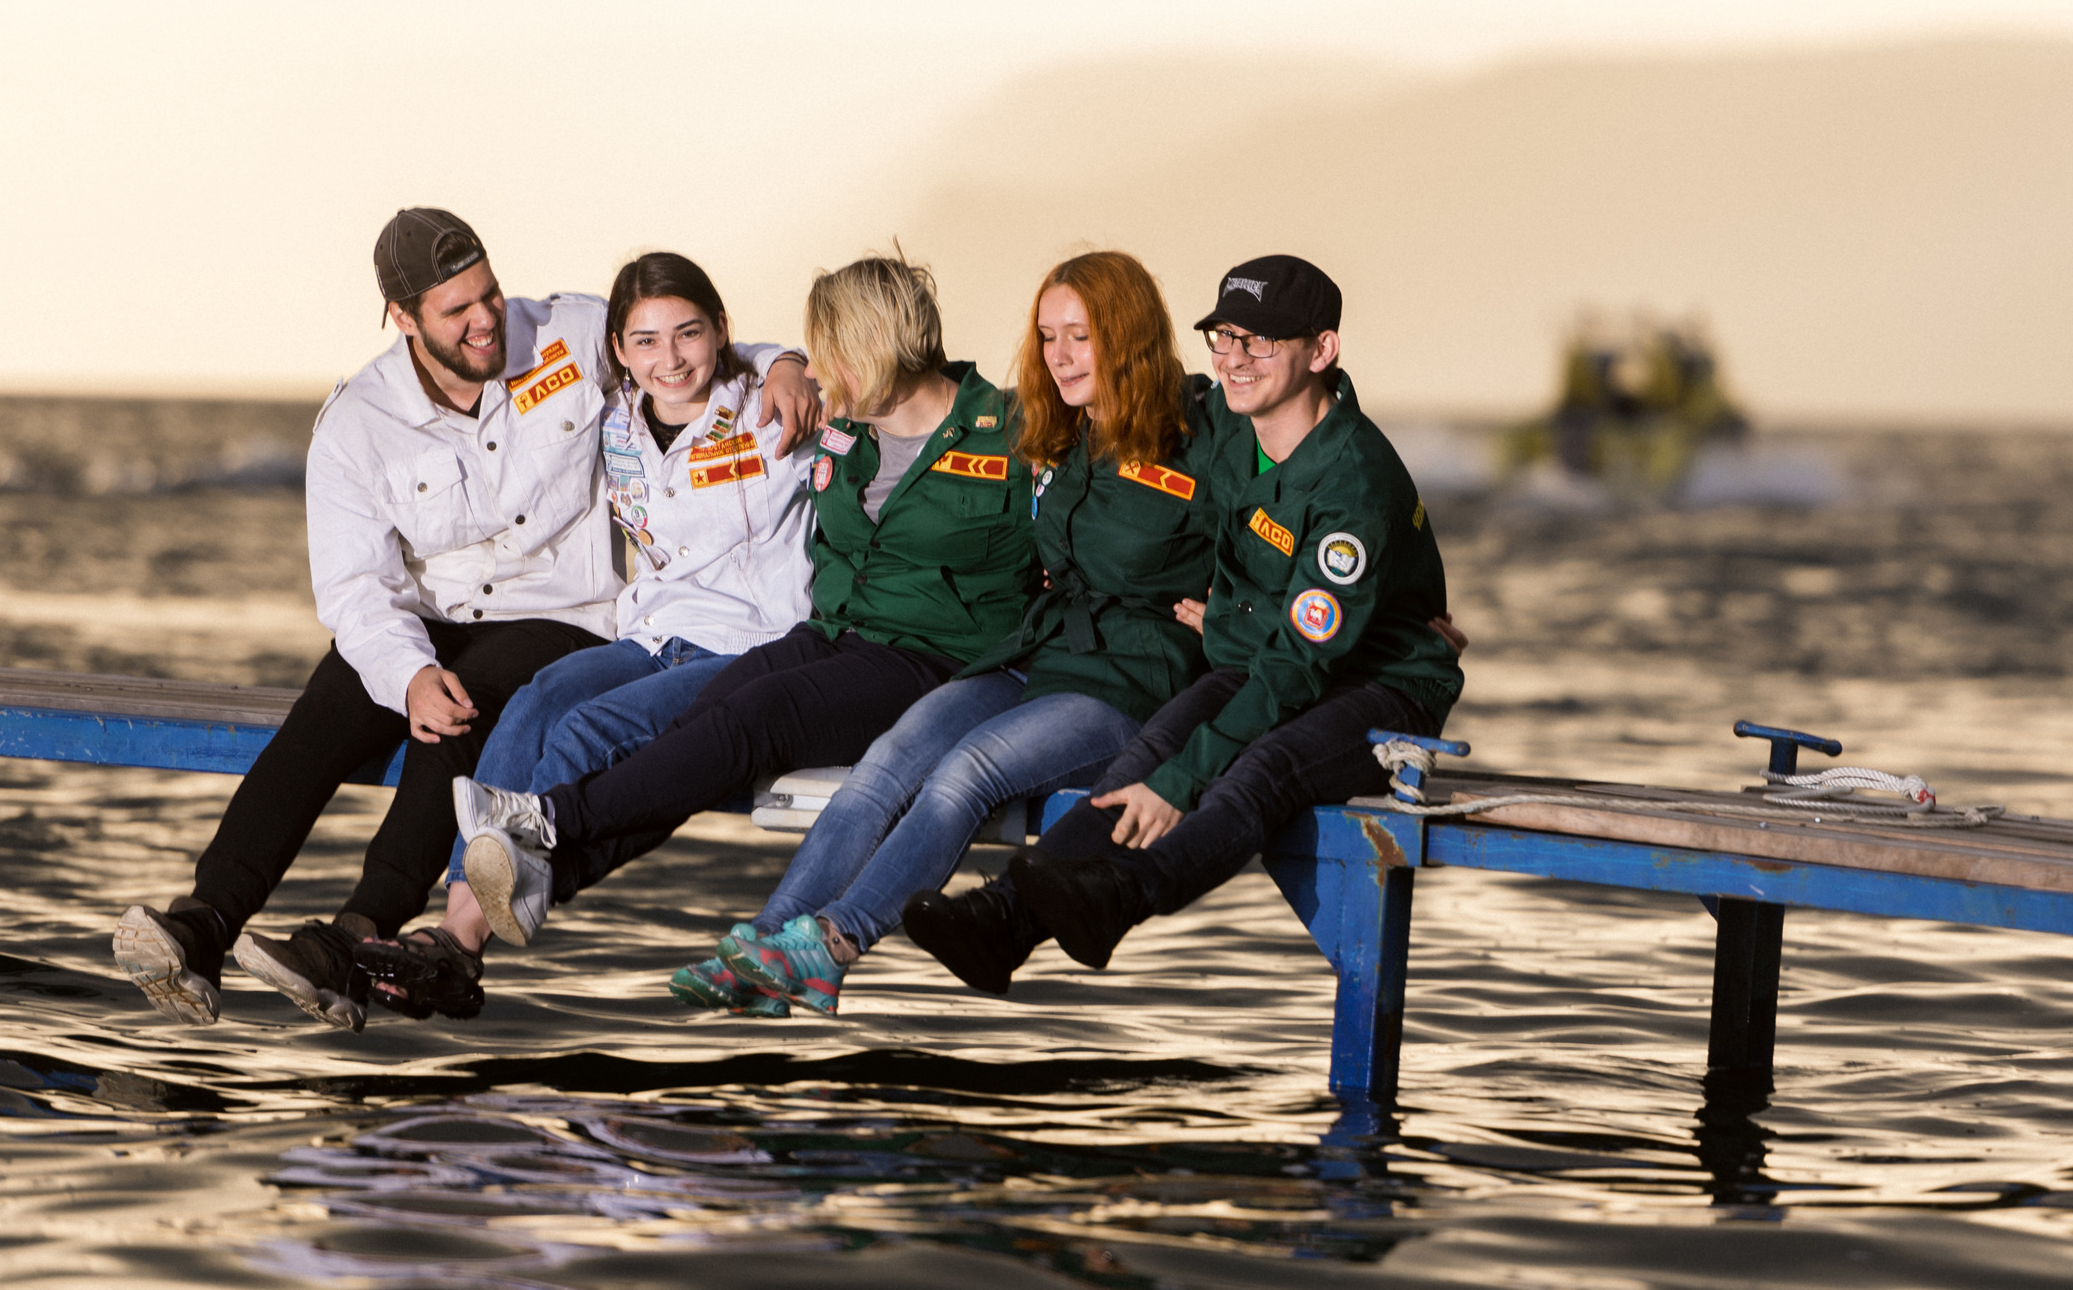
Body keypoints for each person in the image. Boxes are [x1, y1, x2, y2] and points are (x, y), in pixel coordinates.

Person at [112, 209, 815, 1030]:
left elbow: (691, 350)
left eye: (489, 293)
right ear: (402, 318)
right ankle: (206, 921)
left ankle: (357, 934)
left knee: (463, 705)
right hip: (432, 618)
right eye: (458, 310)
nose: (487, 320)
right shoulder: (357, 423)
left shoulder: (569, 333)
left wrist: (789, 364)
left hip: (563, 613)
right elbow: (355, 588)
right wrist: (404, 670)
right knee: (331, 704)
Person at [444, 252, 1040, 977]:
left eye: (829, 353)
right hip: (835, 636)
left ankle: (545, 827)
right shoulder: (849, 427)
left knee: (745, 715)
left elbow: (1082, 531)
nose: (817, 369)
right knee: (699, 720)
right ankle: (516, 881)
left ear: (871, 345)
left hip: (935, 656)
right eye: (813, 355)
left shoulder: (1010, 432)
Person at [900, 254, 1464, 993]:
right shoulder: (1236, 432)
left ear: (1321, 350)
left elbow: (1298, 666)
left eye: (1259, 342)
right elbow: (1159, 466)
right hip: (1271, 654)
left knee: (1256, 770)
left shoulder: (1353, 484)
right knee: (1157, 742)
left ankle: (1125, 896)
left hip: (1379, 681)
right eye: (1223, 337)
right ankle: (1003, 921)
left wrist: (1184, 776)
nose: (1234, 359)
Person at [680, 249, 1223, 1016]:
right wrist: (796, 367)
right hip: (1036, 651)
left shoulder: (1205, 433)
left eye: (1080, 336)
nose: (1059, 356)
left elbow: (1304, 485)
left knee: (966, 772)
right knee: (889, 758)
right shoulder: (1051, 427)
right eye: (1048, 336)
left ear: (1129, 338)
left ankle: (832, 944)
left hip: (1127, 677)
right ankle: (767, 947)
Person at [356, 251, 818, 1020]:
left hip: (749, 642)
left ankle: (460, 935)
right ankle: (468, 915)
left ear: (720, 332)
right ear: (617, 352)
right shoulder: (617, 423)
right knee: (536, 699)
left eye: (689, 334)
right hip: (652, 632)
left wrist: (789, 362)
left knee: (592, 726)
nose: (669, 358)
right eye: (644, 340)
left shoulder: (770, 409)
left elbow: (821, 390)